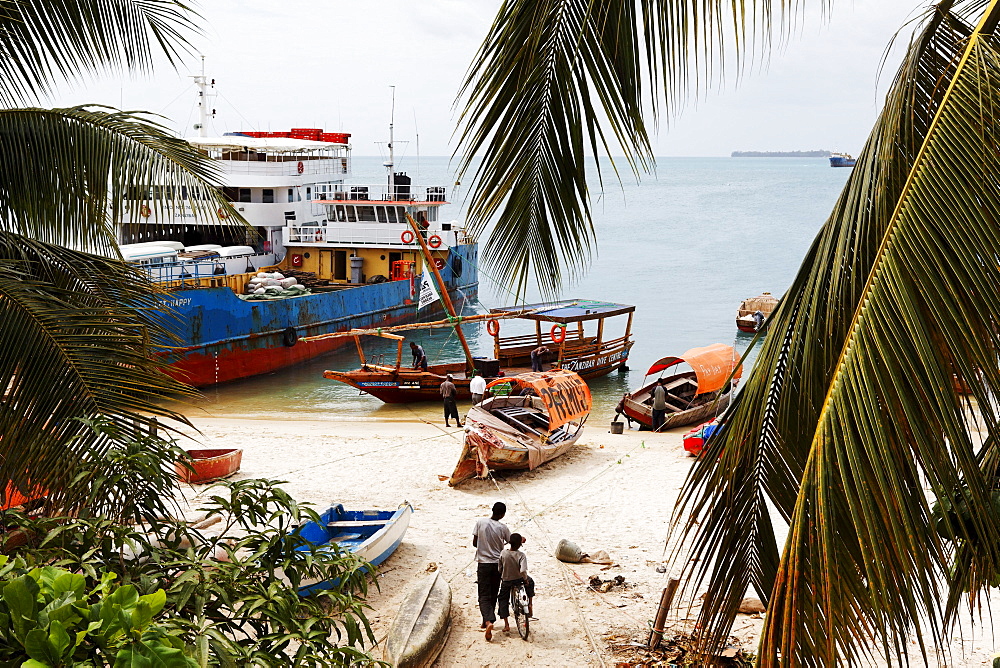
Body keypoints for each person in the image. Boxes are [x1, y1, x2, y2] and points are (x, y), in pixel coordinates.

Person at [473, 502, 511, 641]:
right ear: (503, 514)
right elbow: (510, 541)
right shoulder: (503, 527)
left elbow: (474, 543)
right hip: (497, 565)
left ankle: (488, 621)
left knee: (483, 594)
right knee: (494, 592)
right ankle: (487, 620)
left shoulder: (480, 522)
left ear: (492, 510)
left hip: (483, 564)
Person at [497, 533, 535, 631]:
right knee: (530, 582)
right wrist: (525, 580)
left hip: (506, 580)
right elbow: (523, 571)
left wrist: (502, 574)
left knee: (502, 599)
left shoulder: (503, 553)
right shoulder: (521, 555)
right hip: (519, 580)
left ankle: (506, 624)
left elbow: (500, 568)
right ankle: (530, 603)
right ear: (519, 544)